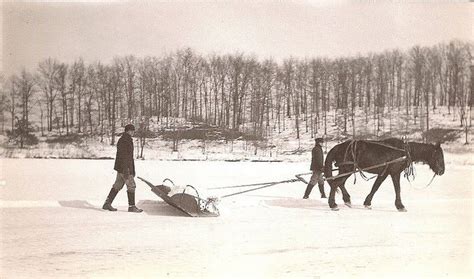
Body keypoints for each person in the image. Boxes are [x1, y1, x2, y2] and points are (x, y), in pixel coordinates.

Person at [102, 124, 143, 213]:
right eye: (131, 130)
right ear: (127, 131)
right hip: (124, 168)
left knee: (118, 185)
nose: (133, 132)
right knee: (131, 185)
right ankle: (131, 206)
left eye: (133, 130)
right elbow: (124, 156)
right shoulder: (125, 140)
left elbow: (129, 157)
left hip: (122, 167)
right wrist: (126, 170)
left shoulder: (126, 139)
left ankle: (107, 203)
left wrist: (132, 169)